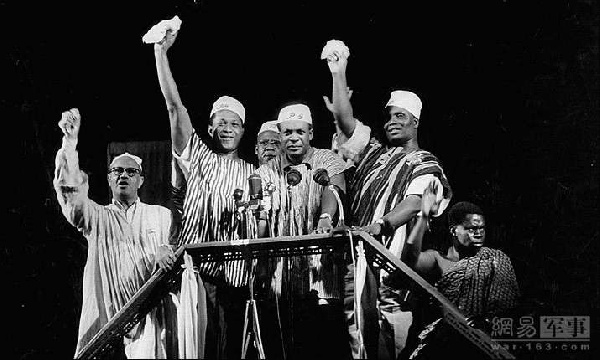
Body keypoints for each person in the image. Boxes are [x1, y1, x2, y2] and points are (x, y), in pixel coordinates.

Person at [323, 41, 453, 360]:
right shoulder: (375, 154)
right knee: (355, 345)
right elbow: (344, 120)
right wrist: (338, 72)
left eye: (399, 116)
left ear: (415, 121)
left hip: (393, 269)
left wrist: (382, 224)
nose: (391, 122)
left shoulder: (426, 162)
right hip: (359, 263)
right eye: (388, 117)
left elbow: (415, 202)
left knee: (390, 345)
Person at [152, 24, 255, 359]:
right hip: (198, 274)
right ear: (210, 126)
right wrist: (160, 52)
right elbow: (174, 107)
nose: (227, 128)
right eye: (221, 122)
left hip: (238, 281)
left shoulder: (255, 172)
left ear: (243, 130)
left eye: (234, 123)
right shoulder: (197, 155)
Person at [53, 108, 173, 358]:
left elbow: (178, 252)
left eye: (131, 172)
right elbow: (71, 196)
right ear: (109, 180)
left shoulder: (161, 215)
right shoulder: (97, 217)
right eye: (117, 171)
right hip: (110, 323)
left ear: (141, 180)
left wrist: (168, 250)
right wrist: (70, 142)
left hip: (151, 320)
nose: (123, 176)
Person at [254, 103, 349, 359]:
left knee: (324, 343)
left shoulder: (327, 159)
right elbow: (260, 219)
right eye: (287, 133)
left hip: (321, 273)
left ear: (311, 133)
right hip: (280, 278)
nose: (293, 138)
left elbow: (334, 188)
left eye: (299, 132)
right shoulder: (265, 172)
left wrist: (326, 215)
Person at [401, 184, 520, 359]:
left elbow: (508, 305)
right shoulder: (438, 259)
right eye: (471, 229)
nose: (478, 233)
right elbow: (410, 259)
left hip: (480, 342)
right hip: (441, 340)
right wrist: (424, 215)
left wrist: (486, 320)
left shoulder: (494, 259)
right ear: (453, 230)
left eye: (482, 229)